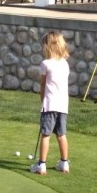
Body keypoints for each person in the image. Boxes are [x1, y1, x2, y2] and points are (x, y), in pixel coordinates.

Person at [30, 31, 70, 175]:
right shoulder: (65, 64)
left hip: (50, 104)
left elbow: (42, 85)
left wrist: (42, 100)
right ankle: (64, 163)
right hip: (63, 105)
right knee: (61, 134)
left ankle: (41, 165)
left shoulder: (45, 64)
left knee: (46, 134)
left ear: (48, 46)